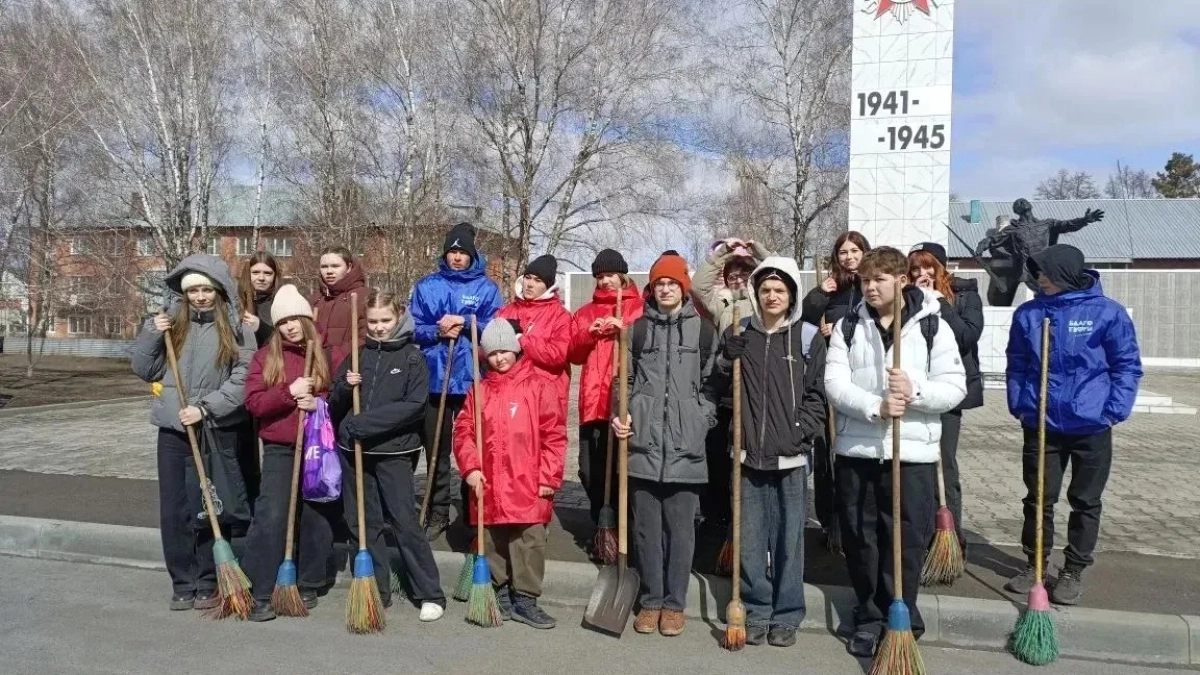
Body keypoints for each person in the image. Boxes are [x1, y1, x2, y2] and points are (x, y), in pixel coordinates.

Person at [824, 246, 966, 657]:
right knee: (861, 538)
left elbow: (954, 386)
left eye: (879, 280)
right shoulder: (849, 326)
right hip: (858, 450)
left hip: (912, 455)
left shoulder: (932, 326)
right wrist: (876, 406)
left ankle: (900, 614)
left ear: (901, 280)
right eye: (866, 280)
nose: (870, 287)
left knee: (904, 538)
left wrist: (915, 391)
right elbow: (835, 383)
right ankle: (868, 616)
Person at [1003, 244, 1142, 606]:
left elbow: (1126, 365)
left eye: (1046, 273)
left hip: (1092, 425)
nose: (1040, 279)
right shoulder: (1030, 314)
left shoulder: (1107, 313)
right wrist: (1020, 405)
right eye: (1037, 273)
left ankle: (1073, 570)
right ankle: (1035, 565)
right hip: (1041, 423)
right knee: (1038, 498)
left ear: (1066, 273)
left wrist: (1113, 411)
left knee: (1085, 500)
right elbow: (1016, 362)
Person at [131, 254, 256, 611]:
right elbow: (145, 369)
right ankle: (182, 581)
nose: (200, 296)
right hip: (173, 430)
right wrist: (151, 333)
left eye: (207, 289)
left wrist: (205, 408)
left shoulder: (237, 328)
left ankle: (208, 579)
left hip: (213, 430)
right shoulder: (173, 325)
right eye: (193, 290)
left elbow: (244, 377)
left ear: (219, 290)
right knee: (175, 510)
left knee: (210, 504)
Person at [714, 255, 827, 648]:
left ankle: (787, 614)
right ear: (755, 293)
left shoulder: (807, 336)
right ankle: (757, 610)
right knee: (749, 540)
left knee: (788, 540)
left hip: (790, 457)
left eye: (780, 290)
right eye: (765, 289)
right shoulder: (741, 332)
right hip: (747, 455)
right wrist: (726, 359)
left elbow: (818, 394)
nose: (772, 296)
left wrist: (800, 432)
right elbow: (719, 385)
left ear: (792, 294)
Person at [611, 251, 718, 637]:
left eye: (673, 283)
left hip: (686, 446)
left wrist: (700, 418)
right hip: (643, 445)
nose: (666, 289)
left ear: (684, 287)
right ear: (652, 288)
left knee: (681, 531)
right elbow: (622, 381)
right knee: (645, 530)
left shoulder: (704, 332)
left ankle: (674, 604)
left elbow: (712, 384)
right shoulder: (637, 330)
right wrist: (620, 414)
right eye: (660, 283)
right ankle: (652, 599)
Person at [328, 291, 446, 621]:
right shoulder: (357, 355)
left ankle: (429, 593)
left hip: (394, 451)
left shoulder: (412, 358)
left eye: (385, 320)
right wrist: (344, 387)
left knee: (404, 521)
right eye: (373, 321)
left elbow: (414, 407)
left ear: (399, 317)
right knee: (364, 523)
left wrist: (364, 424)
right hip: (355, 452)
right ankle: (377, 588)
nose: (379, 327)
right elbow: (334, 403)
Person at [242, 285, 346, 622]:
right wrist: (290, 392)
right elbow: (254, 402)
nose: (290, 326)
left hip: (318, 445)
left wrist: (319, 402)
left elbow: (341, 396)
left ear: (306, 318)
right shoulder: (265, 356)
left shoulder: (327, 352)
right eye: (283, 322)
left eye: (294, 319)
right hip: (280, 447)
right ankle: (261, 588)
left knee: (317, 513)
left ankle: (309, 581)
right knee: (272, 514)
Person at [453, 319, 567, 629]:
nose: (500, 358)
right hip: (489, 483)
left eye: (504, 351)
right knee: (492, 542)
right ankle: (499, 594)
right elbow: (463, 432)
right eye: (492, 353)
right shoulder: (479, 391)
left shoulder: (538, 386)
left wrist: (548, 477)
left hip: (528, 483)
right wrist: (471, 468)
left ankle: (525, 600)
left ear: (516, 350)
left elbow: (554, 435)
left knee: (529, 542)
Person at [409, 222, 503, 540]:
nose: (457, 257)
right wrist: (436, 331)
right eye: (452, 252)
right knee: (436, 446)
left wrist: (466, 321)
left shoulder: (486, 288)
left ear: (472, 255)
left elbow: (497, 326)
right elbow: (413, 327)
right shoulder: (427, 286)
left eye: (462, 252)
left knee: (472, 445)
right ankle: (438, 511)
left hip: (471, 377)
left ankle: (471, 510)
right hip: (434, 376)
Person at [690, 237, 772, 537]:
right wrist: (723, 253)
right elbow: (698, 288)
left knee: (746, 464)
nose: (737, 280)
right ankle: (717, 519)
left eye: (743, 275)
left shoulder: (763, 302)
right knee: (717, 461)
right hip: (723, 392)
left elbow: (778, 271)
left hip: (753, 394)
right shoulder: (720, 306)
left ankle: (749, 523)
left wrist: (757, 251)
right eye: (732, 276)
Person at [567, 249, 644, 554]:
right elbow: (573, 353)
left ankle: (627, 531)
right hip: (592, 403)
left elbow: (645, 346)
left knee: (622, 470)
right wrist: (589, 334)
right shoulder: (585, 312)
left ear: (622, 275)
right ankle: (603, 528)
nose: (605, 281)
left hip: (623, 402)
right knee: (590, 470)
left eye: (610, 274)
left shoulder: (639, 308)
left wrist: (622, 330)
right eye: (599, 276)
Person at [908, 242, 984, 552]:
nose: (922, 273)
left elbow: (967, 337)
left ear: (941, 267)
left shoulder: (964, 295)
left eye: (928, 266)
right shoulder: (908, 297)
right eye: (915, 268)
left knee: (945, 464)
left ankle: (952, 539)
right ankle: (922, 533)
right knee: (919, 466)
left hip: (949, 391)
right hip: (915, 391)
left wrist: (939, 301)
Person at [801, 231, 871, 547]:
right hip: (830, 375)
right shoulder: (830, 288)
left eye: (855, 251)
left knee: (856, 451)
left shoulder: (870, 286)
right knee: (827, 452)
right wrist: (819, 296)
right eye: (843, 252)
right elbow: (803, 321)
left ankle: (857, 521)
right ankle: (831, 522)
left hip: (862, 380)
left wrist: (840, 330)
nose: (849, 257)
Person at [973, 198, 1105, 305]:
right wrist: (980, 247)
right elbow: (992, 239)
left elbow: (1068, 225)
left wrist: (1085, 220)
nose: (1022, 201)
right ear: (1016, 210)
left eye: (1024, 201)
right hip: (1026, 269)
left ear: (1030, 206)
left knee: (1056, 293)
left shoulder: (1046, 224)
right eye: (1018, 202)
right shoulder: (1013, 229)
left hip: (1045, 267)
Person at [495, 254, 572, 413]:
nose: (530, 284)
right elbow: (489, 352)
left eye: (538, 280)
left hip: (545, 398)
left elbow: (558, 355)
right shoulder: (505, 312)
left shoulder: (560, 316)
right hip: (509, 394)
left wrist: (521, 340)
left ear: (548, 286)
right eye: (528, 278)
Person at [310, 246, 368, 354]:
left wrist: (338, 356)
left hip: (351, 361)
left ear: (349, 267)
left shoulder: (364, 297)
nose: (329, 271)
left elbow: (366, 336)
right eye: (324, 267)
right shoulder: (315, 300)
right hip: (318, 362)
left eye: (335, 266)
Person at [239, 251, 282, 347]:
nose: (261, 278)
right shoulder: (237, 301)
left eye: (267, 273)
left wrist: (260, 327)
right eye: (255, 272)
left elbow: (288, 342)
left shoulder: (283, 303)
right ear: (248, 274)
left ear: (275, 276)